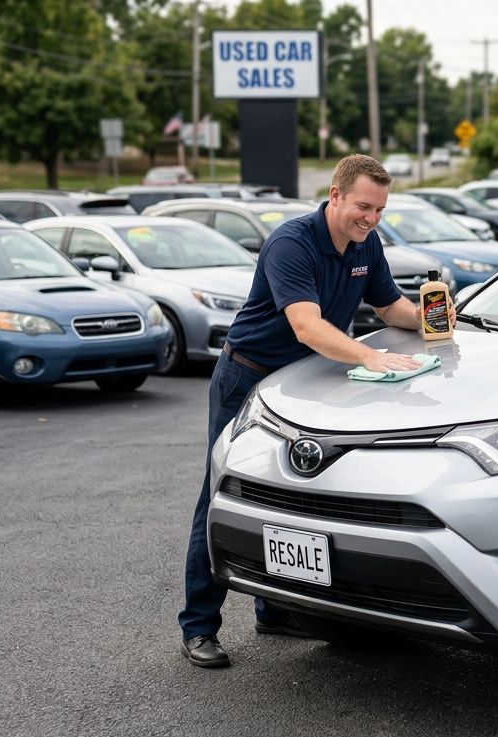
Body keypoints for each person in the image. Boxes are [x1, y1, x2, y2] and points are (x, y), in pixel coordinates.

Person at [179, 154, 441, 668]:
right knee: (220, 493)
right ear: (336, 195)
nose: (371, 218)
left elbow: (391, 307)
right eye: (364, 206)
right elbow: (307, 326)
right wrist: (372, 356)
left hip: (306, 381)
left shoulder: (366, 244)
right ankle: (198, 625)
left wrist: (433, 319)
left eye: (381, 210)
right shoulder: (291, 243)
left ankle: (273, 610)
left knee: (291, 498)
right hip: (249, 377)